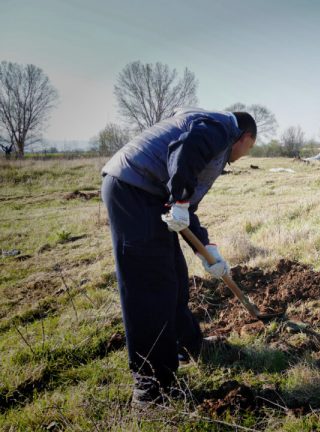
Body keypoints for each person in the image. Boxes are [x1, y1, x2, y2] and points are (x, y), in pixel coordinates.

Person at [100, 109, 257, 406]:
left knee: (173, 276)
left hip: (147, 193)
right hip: (133, 191)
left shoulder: (215, 136)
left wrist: (206, 250)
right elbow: (186, 150)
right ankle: (152, 385)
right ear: (246, 137)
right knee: (150, 287)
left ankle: (188, 344)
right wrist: (181, 200)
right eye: (250, 148)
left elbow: (185, 206)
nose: (246, 154)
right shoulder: (219, 129)